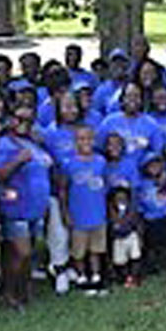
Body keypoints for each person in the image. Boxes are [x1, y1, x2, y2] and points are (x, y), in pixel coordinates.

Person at [0, 105, 53, 310]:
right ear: (11, 120)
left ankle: (23, 291)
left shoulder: (34, 144)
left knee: (27, 253)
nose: (25, 124)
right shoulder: (5, 145)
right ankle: (9, 293)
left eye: (30, 120)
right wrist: (18, 160)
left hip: (36, 207)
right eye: (20, 119)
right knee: (19, 252)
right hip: (15, 207)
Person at [57, 126, 109, 295]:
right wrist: (65, 212)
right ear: (75, 142)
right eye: (81, 139)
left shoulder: (101, 161)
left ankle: (95, 275)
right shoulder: (69, 163)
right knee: (79, 250)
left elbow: (105, 187)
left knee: (96, 248)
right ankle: (81, 276)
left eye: (89, 138)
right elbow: (63, 189)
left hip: (98, 213)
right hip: (78, 214)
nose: (85, 142)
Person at [137, 152, 166, 275]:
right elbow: (140, 201)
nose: (154, 168)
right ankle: (152, 264)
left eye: (157, 165)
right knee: (151, 243)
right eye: (151, 166)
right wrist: (141, 216)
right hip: (150, 218)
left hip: (165, 216)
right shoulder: (143, 183)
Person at [109, 186, 143, 287]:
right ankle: (125, 277)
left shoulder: (132, 210)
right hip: (118, 239)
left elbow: (137, 224)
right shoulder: (110, 212)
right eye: (118, 199)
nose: (121, 201)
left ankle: (134, 277)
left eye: (124, 199)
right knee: (120, 261)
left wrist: (140, 237)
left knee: (135, 256)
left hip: (131, 235)